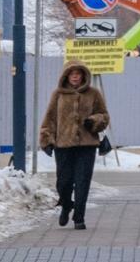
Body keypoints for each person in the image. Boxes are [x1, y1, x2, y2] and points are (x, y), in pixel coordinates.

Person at [38, 62, 110, 229]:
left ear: (84, 76)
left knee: (82, 182)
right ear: (66, 76)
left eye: (78, 73)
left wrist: (93, 121)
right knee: (64, 182)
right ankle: (66, 205)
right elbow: (50, 118)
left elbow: (104, 116)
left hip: (87, 145)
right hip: (63, 145)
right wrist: (46, 139)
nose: (75, 76)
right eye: (72, 74)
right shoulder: (58, 94)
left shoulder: (94, 93)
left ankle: (79, 217)